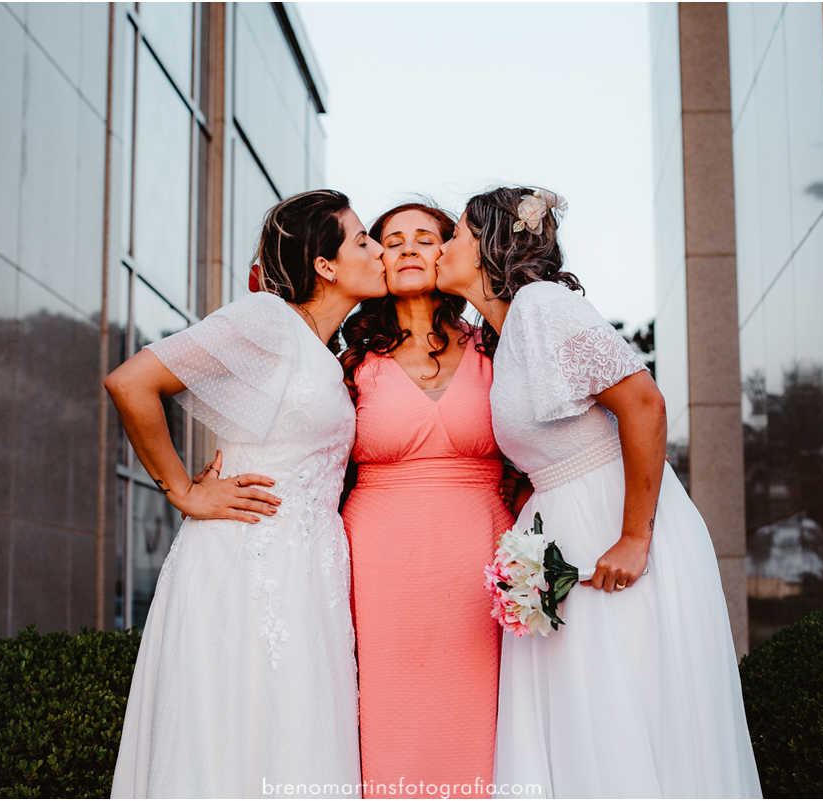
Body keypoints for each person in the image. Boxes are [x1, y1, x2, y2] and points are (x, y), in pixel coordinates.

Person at [435, 186, 761, 798]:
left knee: (617, 710)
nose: (444, 247)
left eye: (454, 235)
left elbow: (643, 402)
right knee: (582, 717)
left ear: (489, 246)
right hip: (563, 527)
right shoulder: (506, 335)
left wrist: (635, 536)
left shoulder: (541, 306)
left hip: (610, 521)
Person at [106, 190, 386, 798]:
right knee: (234, 731)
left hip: (309, 569)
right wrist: (182, 490)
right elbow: (132, 383)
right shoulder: (267, 319)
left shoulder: (322, 350)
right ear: (326, 265)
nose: (380, 250)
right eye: (364, 239)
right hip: (244, 560)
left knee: (295, 732)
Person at [339, 202, 515, 798]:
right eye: (391, 240)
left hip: (483, 563)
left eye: (424, 237)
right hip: (377, 566)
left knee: (483, 719)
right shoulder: (351, 363)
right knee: (387, 716)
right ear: (376, 259)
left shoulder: (498, 348)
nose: (409, 248)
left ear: (449, 253)